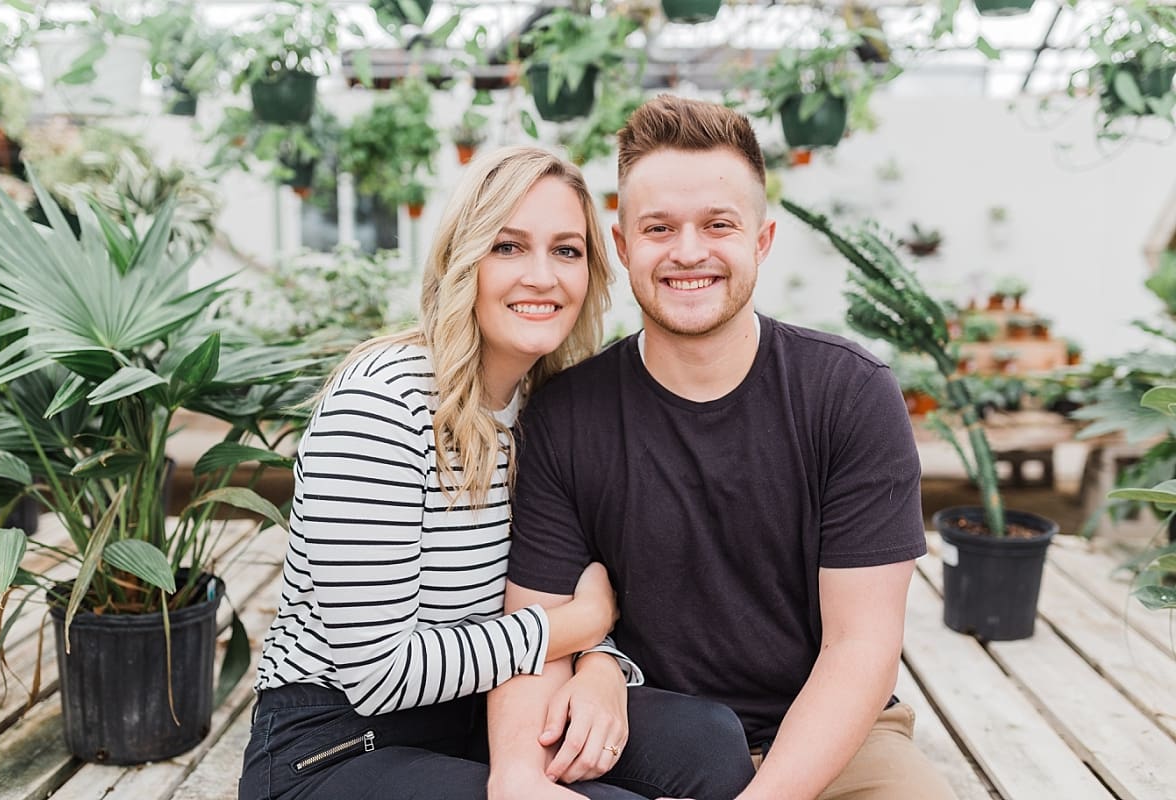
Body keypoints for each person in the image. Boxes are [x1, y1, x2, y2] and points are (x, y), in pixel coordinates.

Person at [488, 96, 958, 800]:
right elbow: (537, 632)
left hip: (835, 739)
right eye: (658, 228)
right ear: (621, 246)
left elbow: (860, 650)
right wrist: (520, 777)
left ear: (761, 241)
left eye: (717, 225)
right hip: (650, 735)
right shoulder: (567, 413)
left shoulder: (849, 394)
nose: (687, 252)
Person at [239, 146, 649, 800]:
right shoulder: (382, 405)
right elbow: (381, 675)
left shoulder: (554, 407)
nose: (542, 275)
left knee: (707, 743)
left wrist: (602, 661)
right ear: (464, 259)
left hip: (482, 714)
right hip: (335, 745)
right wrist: (579, 626)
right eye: (508, 247)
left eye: (567, 251)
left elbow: (587, 584)